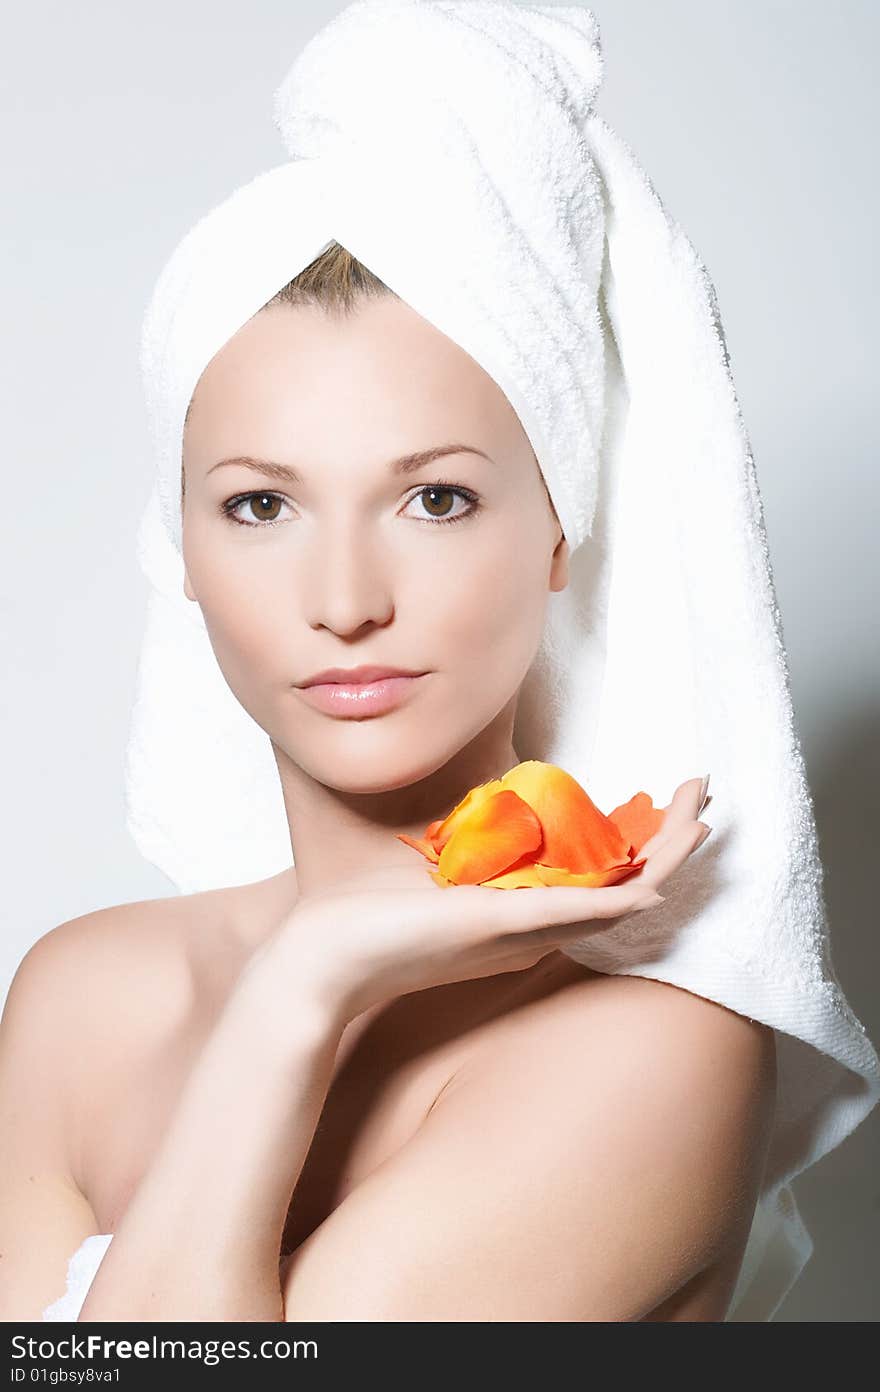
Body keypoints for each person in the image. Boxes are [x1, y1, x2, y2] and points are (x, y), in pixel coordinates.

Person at [2, 0, 877, 1324]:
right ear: (175, 544)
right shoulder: (83, 995)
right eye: (259, 504)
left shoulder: (653, 1053)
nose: (345, 601)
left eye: (437, 500)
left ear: (557, 531)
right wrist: (311, 971)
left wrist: (300, 992)